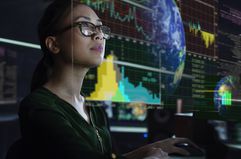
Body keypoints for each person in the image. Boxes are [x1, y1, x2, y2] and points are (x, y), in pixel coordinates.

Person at [17, 0, 199, 159]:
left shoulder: (94, 110)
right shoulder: (39, 107)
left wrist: (150, 149)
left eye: (101, 28)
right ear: (54, 44)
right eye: (86, 27)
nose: (99, 36)